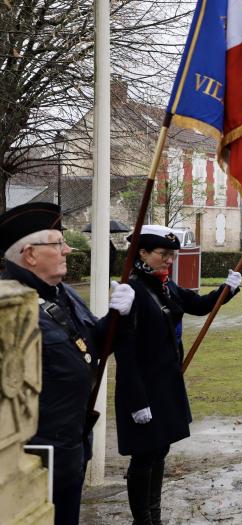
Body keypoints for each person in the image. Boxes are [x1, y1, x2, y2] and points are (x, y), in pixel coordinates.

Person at [0, 202, 135, 525]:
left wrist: (121, 316)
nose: (67, 249)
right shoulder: (11, 307)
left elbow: (95, 345)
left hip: (70, 446)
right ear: (30, 254)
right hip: (33, 454)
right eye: (58, 243)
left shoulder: (62, 293)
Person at [115, 225, 242, 525]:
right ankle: (143, 520)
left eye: (172, 255)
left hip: (166, 384)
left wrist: (228, 289)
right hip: (143, 388)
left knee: (160, 450)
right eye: (164, 254)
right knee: (144, 455)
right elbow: (126, 353)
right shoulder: (132, 291)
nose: (169, 260)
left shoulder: (164, 286)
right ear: (142, 253)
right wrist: (136, 401)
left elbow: (198, 305)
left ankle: (154, 516)